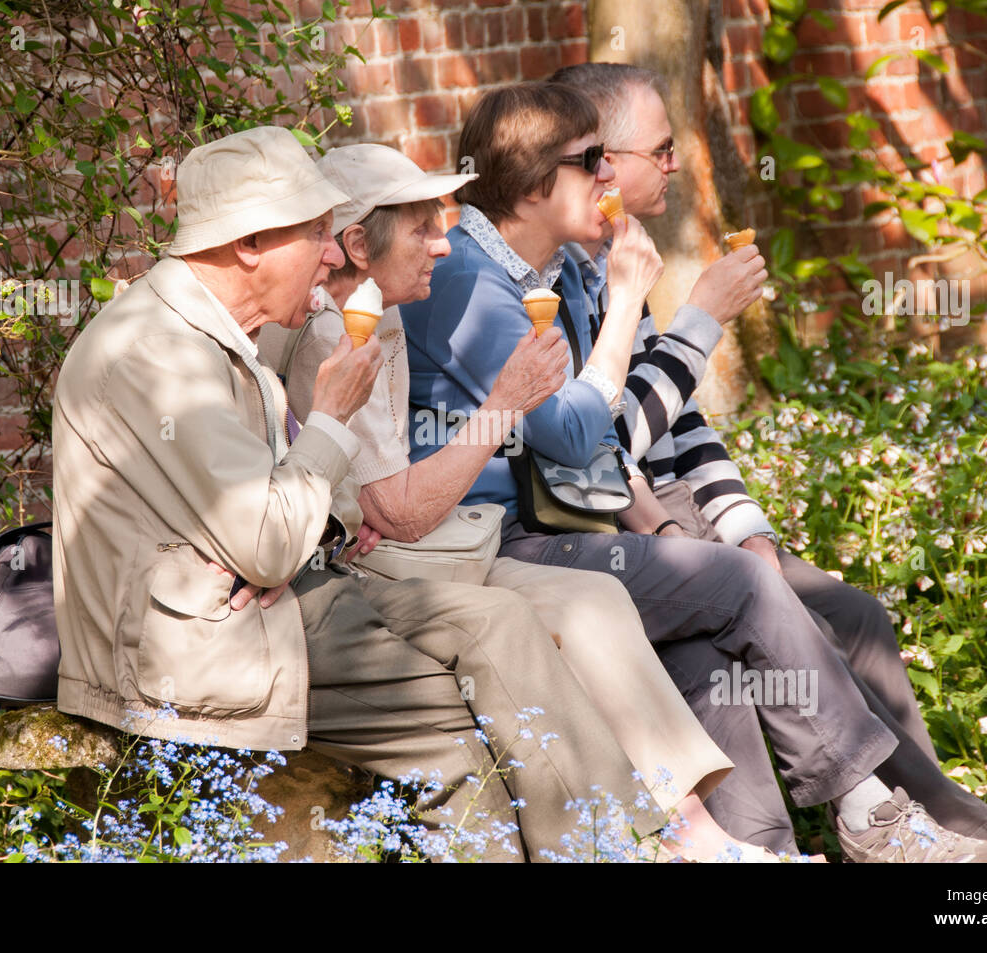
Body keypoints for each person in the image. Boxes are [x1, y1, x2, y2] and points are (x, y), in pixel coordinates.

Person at [400, 82, 987, 861]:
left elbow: (641, 433)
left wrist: (684, 514)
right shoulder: (474, 284)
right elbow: (574, 439)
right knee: (744, 585)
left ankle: (768, 848)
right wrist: (631, 307)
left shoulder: (551, 269)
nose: (608, 179)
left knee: (706, 655)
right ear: (531, 181)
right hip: (500, 542)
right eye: (592, 162)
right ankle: (867, 817)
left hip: (569, 524)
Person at [50, 125, 670, 862]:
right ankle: (606, 849)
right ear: (249, 245)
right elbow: (271, 536)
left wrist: (311, 531)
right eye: (313, 232)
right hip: (203, 642)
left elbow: (277, 517)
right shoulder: (159, 353)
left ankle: (626, 849)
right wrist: (333, 422)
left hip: (277, 598)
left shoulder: (221, 332)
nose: (329, 252)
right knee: (459, 728)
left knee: (500, 622)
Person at [258, 142, 799, 862]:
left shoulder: (377, 311)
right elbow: (403, 513)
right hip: (387, 568)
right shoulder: (335, 328)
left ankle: (695, 833)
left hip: (432, 547)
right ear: (358, 243)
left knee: (594, 601)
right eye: (421, 228)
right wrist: (505, 403)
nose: (442, 244)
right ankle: (658, 842)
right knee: (564, 613)